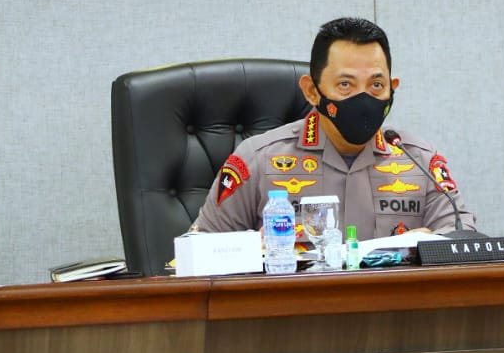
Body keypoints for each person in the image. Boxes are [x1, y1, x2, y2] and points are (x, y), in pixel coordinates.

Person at [194, 17, 476, 240]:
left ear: (393, 88)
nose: (363, 98)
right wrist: (253, 250)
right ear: (311, 91)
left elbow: (462, 238)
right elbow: (198, 251)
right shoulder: (257, 159)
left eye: (376, 85)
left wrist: (424, 247)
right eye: (345, 85)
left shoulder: (420, 161)